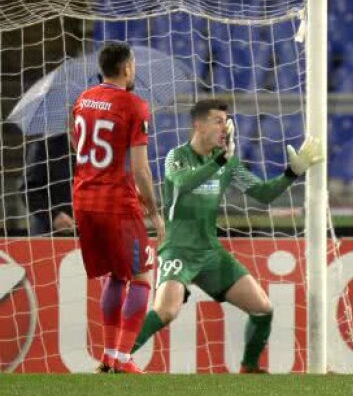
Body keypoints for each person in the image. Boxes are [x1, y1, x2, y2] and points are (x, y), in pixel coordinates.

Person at [129, 99, 324, 373]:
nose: (225, 127)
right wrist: (220, 160)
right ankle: (117, 359)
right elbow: (184, 183)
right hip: (179, 249)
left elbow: (264, 194)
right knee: (167, 311)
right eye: (218, 121)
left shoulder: (227, 164)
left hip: (211, 253)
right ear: (199, 125)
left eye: (226, 122)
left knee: (262, 308)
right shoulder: (177, 156)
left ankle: (249, 368)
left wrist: (292, 173)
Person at [70, 42, 164, 374]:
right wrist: (155, 212)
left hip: (84, 200)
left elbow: (77, 143)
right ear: (126, 68)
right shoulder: (134, 105)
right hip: (116, 203)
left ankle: (109, 356)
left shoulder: (83, 99)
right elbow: (141, 169)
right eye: (133, 65)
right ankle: (123, 358)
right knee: (141, 276)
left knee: (116, 274)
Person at [24, 133, 75, 235]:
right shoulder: (44, 145)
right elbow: (28, 189)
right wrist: (53, 216)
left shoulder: (96, 147)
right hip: (49, 233)